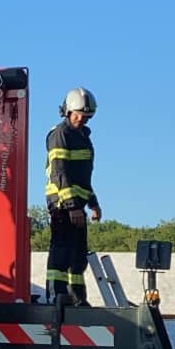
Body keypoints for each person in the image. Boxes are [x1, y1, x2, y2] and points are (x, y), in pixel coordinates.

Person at [44, 87, 101, 305]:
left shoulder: (83, 138)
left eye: (86, 116)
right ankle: (57, 296)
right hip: (62, 205)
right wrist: (71, 206)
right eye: (78, 114)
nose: (82, 119)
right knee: (62, 251)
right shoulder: (60, 134)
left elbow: (83, 178)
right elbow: (60, 172)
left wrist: (93, 203)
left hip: (78, 206)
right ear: (67, 111)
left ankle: (77, 298)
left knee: (78, 255)